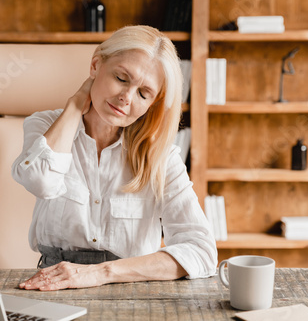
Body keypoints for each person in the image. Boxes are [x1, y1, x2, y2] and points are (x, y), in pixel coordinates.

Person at [12, 25, 217, 291]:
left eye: (144, 94)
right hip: (53, 286)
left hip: (133, 291)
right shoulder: (44, 126)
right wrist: (74, 106)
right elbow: (41, 181)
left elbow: (201, 252)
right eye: (121, 78)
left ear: (152, 104)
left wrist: (102, 272)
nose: (126, 98)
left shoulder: (161, 156)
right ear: (96, 65)